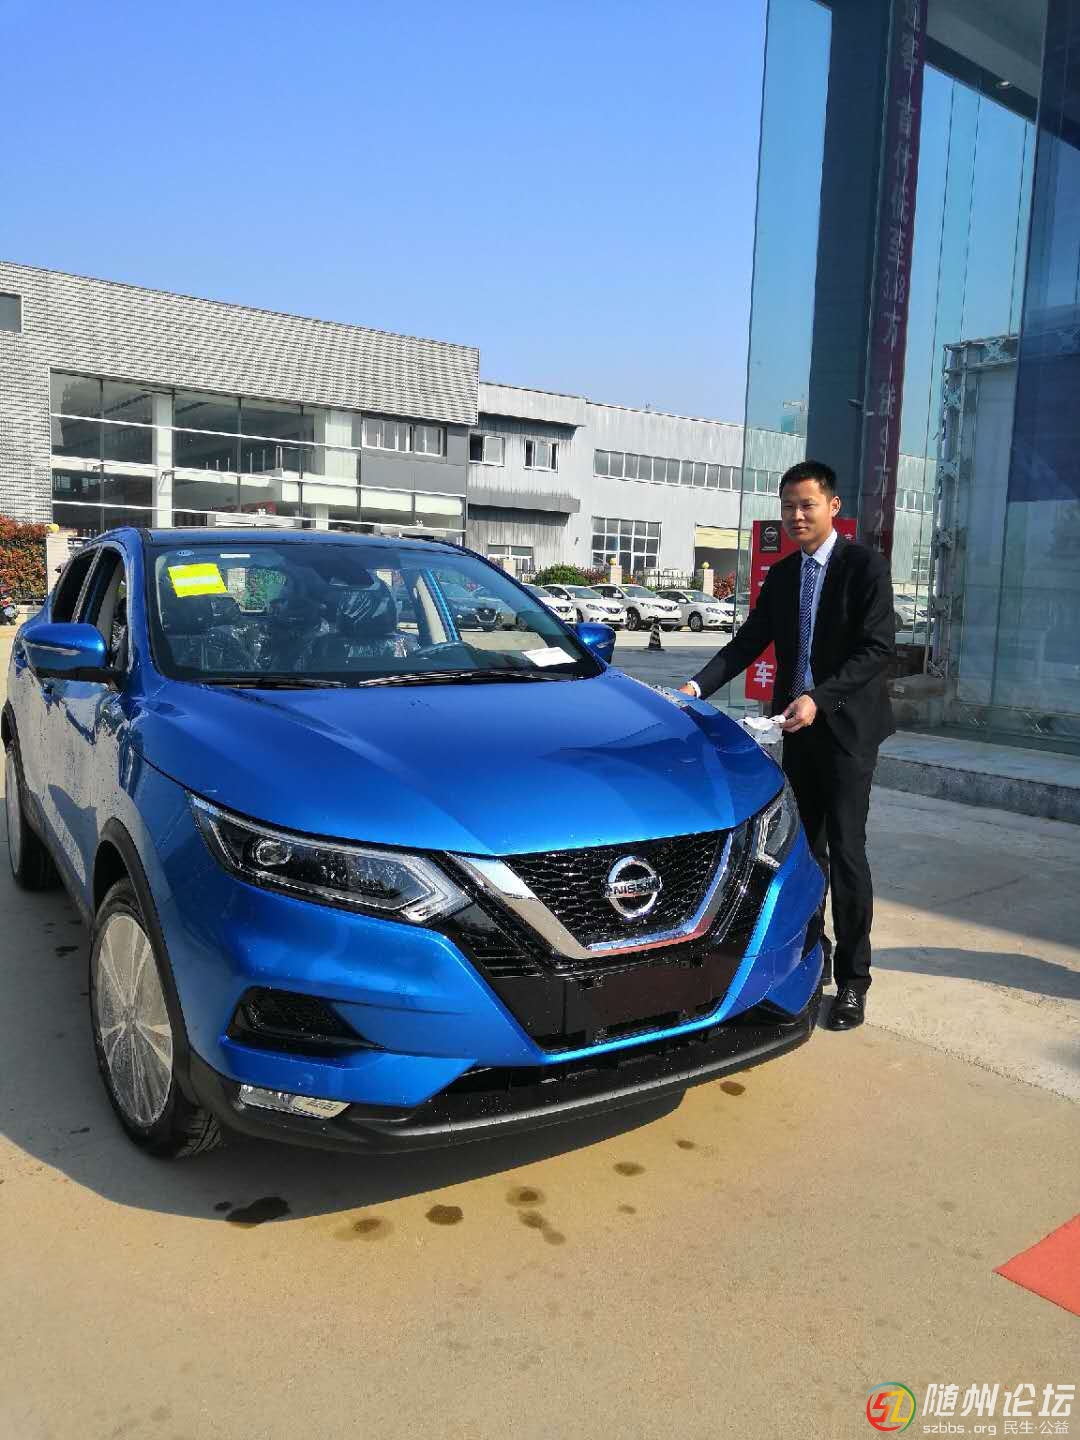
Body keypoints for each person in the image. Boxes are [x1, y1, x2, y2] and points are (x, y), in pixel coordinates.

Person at [679, 460, 895, 1031]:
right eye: (788, 507)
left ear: (833, 507)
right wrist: (695, 687)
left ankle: (854, 981)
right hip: (797, 732)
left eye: (807, 505)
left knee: (846, 852)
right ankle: (810, 958)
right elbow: (748, 642)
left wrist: (819, 698)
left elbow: (877, 649)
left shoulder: (863, 568)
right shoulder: (783, 576)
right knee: (804, 852)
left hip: (847, 733)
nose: (796, 516)